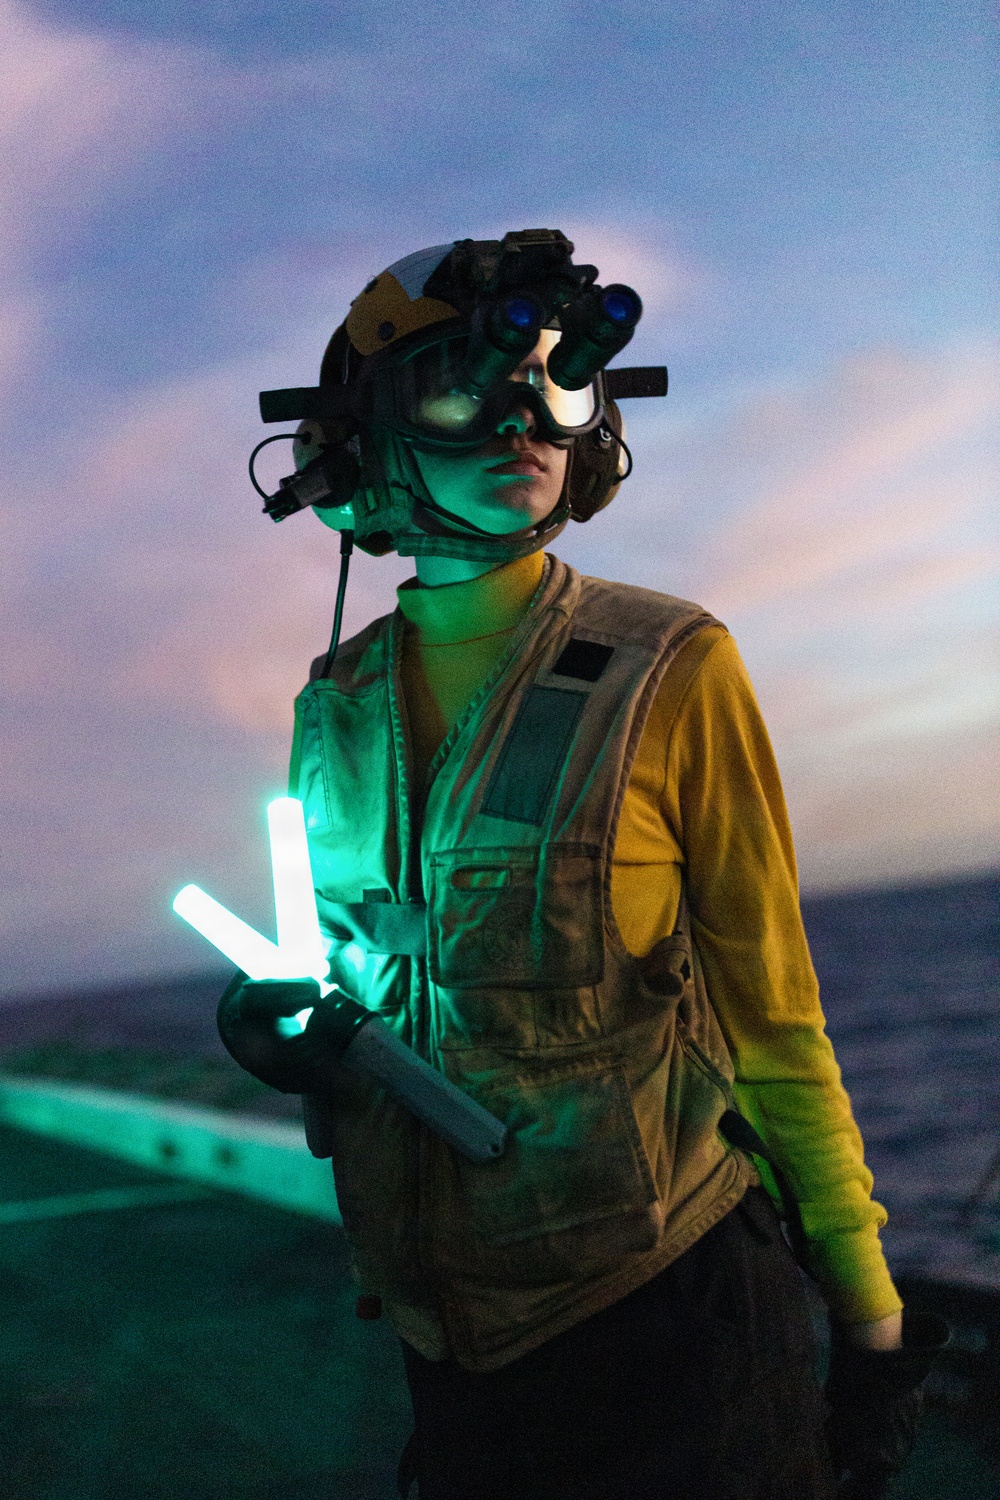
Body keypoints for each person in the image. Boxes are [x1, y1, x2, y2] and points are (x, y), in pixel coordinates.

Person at [219, 231, 948, 1499]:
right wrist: (297, 1031)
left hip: (668, 1321)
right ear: (362, 444)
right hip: (445, 1343)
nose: (525, 418)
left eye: (562, 384)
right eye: (465, 383)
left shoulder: (669, 663)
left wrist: (869, 1317)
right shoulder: (332, 701)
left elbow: (774, 1017)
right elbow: (355, 965)